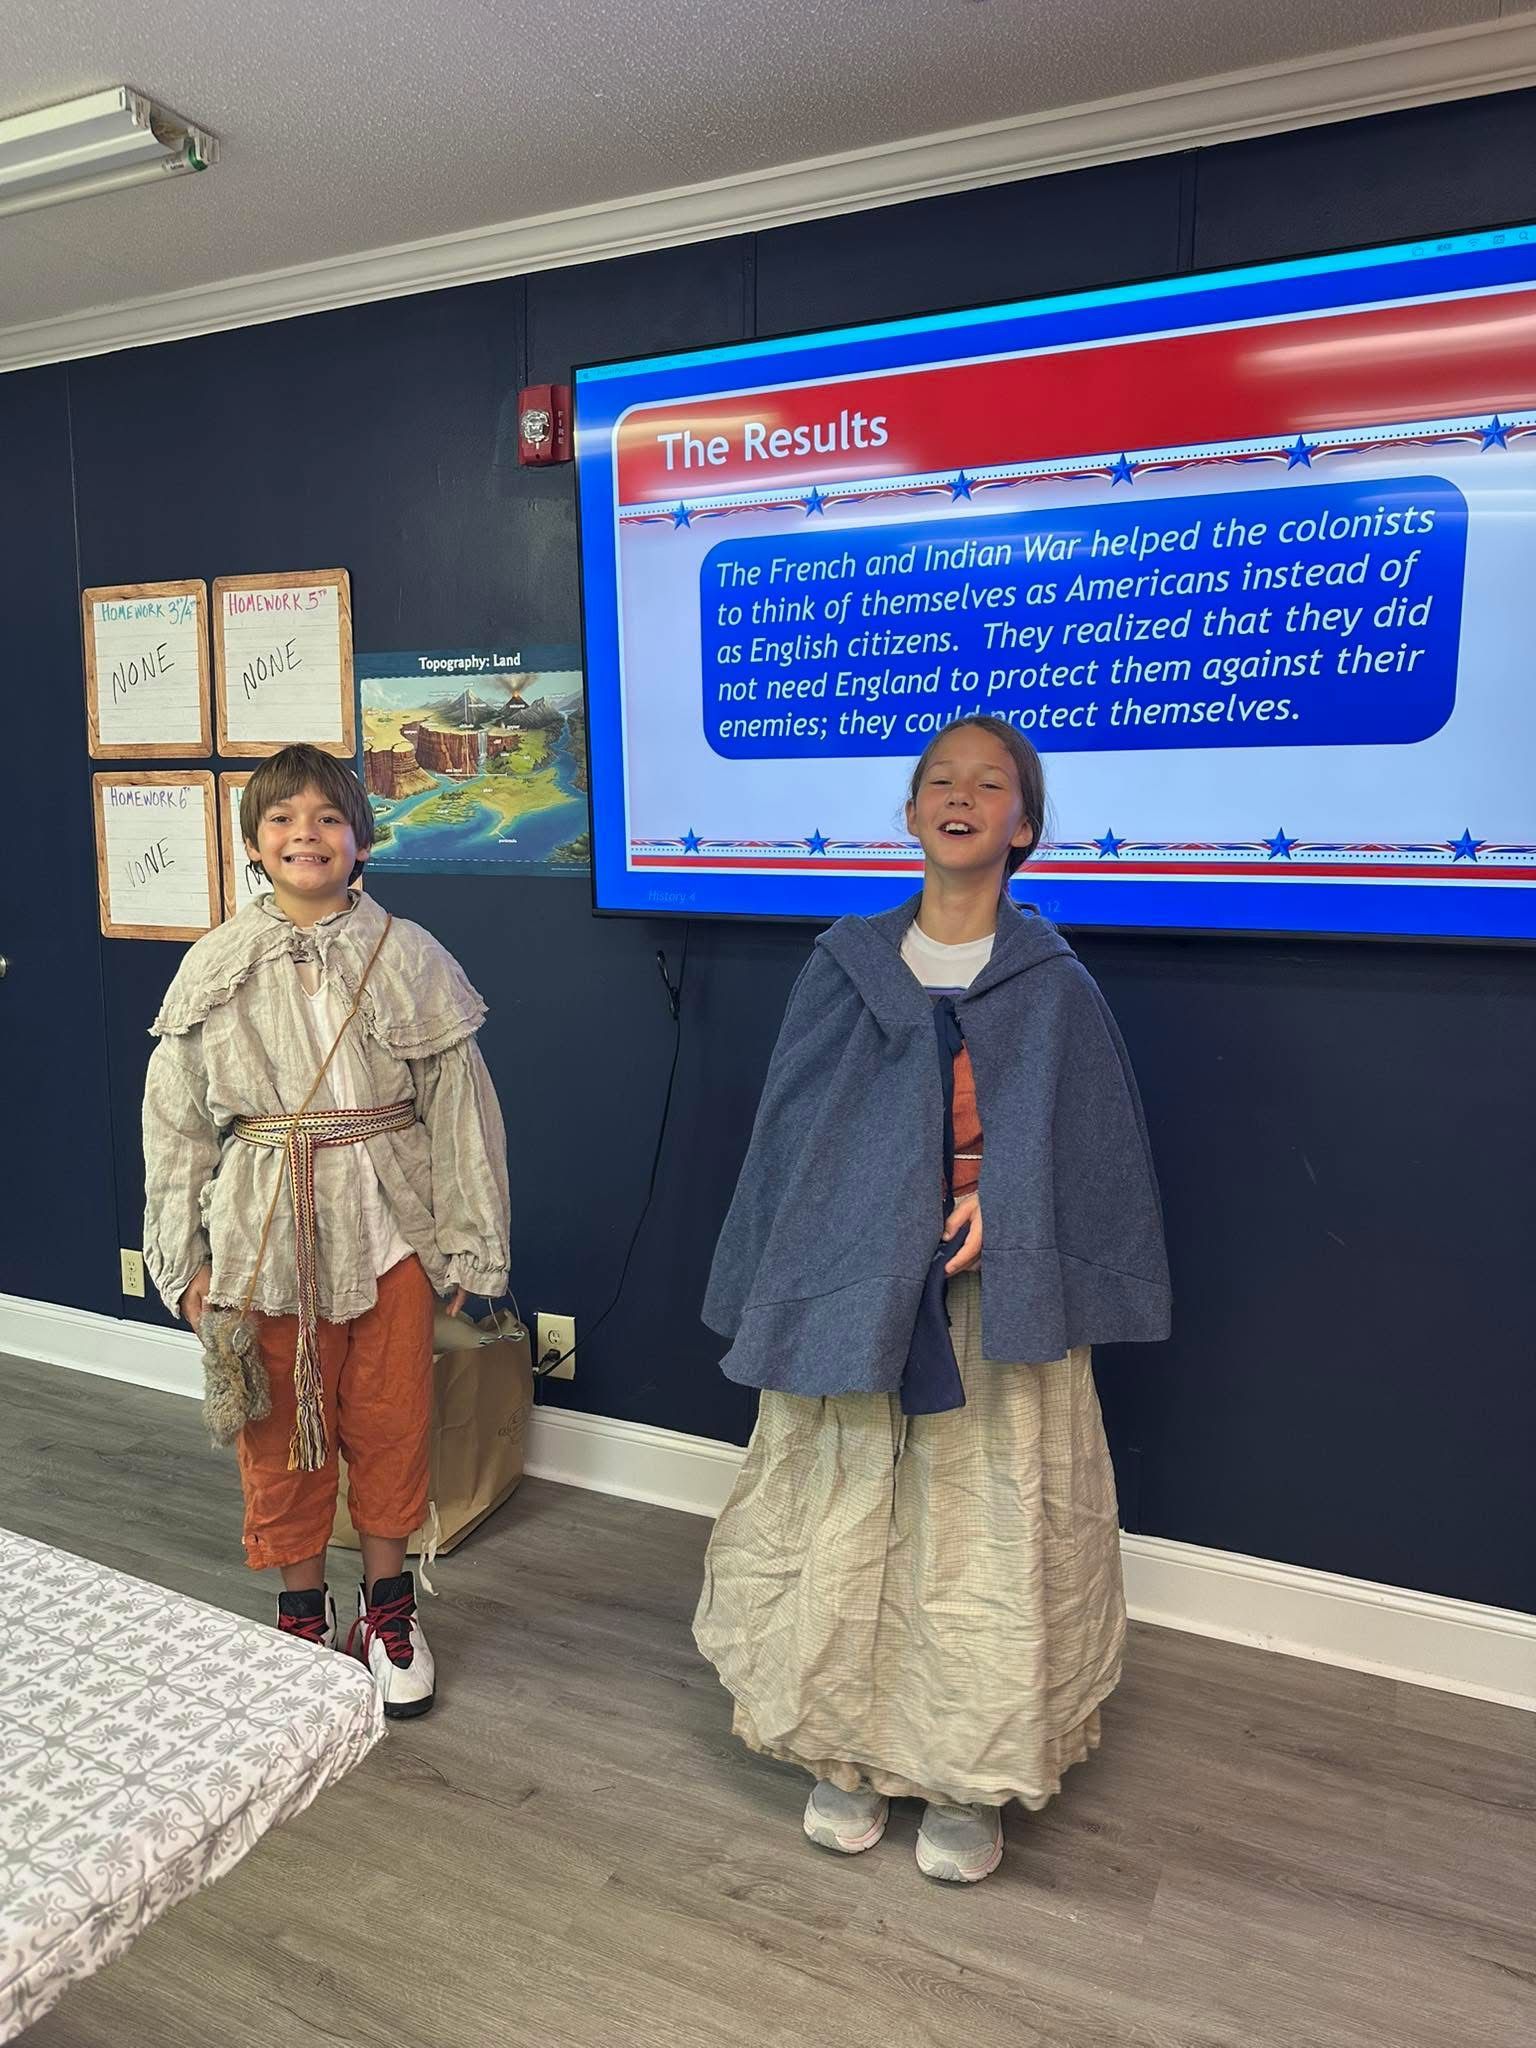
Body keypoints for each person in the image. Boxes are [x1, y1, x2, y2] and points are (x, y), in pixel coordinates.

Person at [694, 713, 1170, 1883]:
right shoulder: (844, 964)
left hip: (994, 1320)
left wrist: (1009, 1210)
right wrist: (874, 1227)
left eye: (990, 783)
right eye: (939, 781)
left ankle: (968, 1767)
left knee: (982, 1535)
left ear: (1026, 825)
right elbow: (798, 1143)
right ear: (909, 813)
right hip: (857, 1302)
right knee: (848, 1514)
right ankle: (843, 1750)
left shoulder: (1052, 985)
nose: (961, 796)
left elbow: (1083, 1148)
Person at [142, 744, 510, 1717]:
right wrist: (184, 1253)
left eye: (325, 816)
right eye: (282, 819)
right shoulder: (214, 966)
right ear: (256, 844)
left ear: (360, 837)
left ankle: (386, 1609)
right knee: (277, 1435)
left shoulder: (413, 955)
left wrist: (469, 1239)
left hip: (389, 1226)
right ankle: (299, 1614)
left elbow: (461, 1109)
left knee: (392, 1422)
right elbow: (176, 1125)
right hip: (263, 1240)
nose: (305, 832)